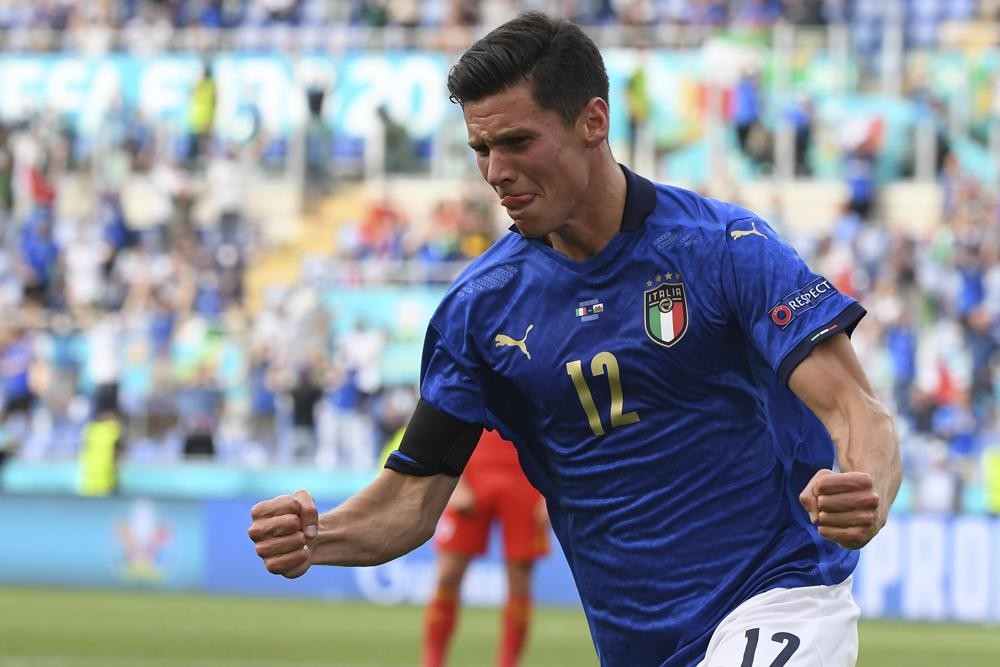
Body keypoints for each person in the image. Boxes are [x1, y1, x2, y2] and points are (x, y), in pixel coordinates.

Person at [248, 12, 901, 667]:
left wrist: (864, 490)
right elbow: (411, 499)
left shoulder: (726, 250)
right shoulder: (480, 310)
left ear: (593, 121)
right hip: (637, 646)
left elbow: (859, 413)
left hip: (781, 594)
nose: (496, 171)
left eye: (517, 141)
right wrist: (316, 536)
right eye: (481, 149)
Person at [422, 428, 549, 667]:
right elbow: (443, 412)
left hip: (526, 475)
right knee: (447, 575)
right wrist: (451, 479)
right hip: (471, 468)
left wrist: (551, 490)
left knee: (520, 581)